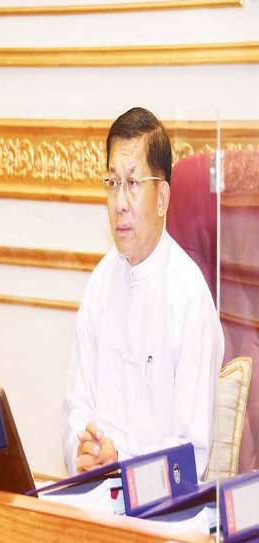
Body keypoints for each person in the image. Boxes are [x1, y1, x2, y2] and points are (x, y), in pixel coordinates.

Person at [63, 107, 224, 477]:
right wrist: (81, 450)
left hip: (158, 504)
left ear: (162, 197)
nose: (120, 203)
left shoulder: (189, 298)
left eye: (133, 184)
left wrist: (120, 464)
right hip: (92, 492)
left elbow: (191, 456)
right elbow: (76, 407)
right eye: (112, 183)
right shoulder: (100, 283)